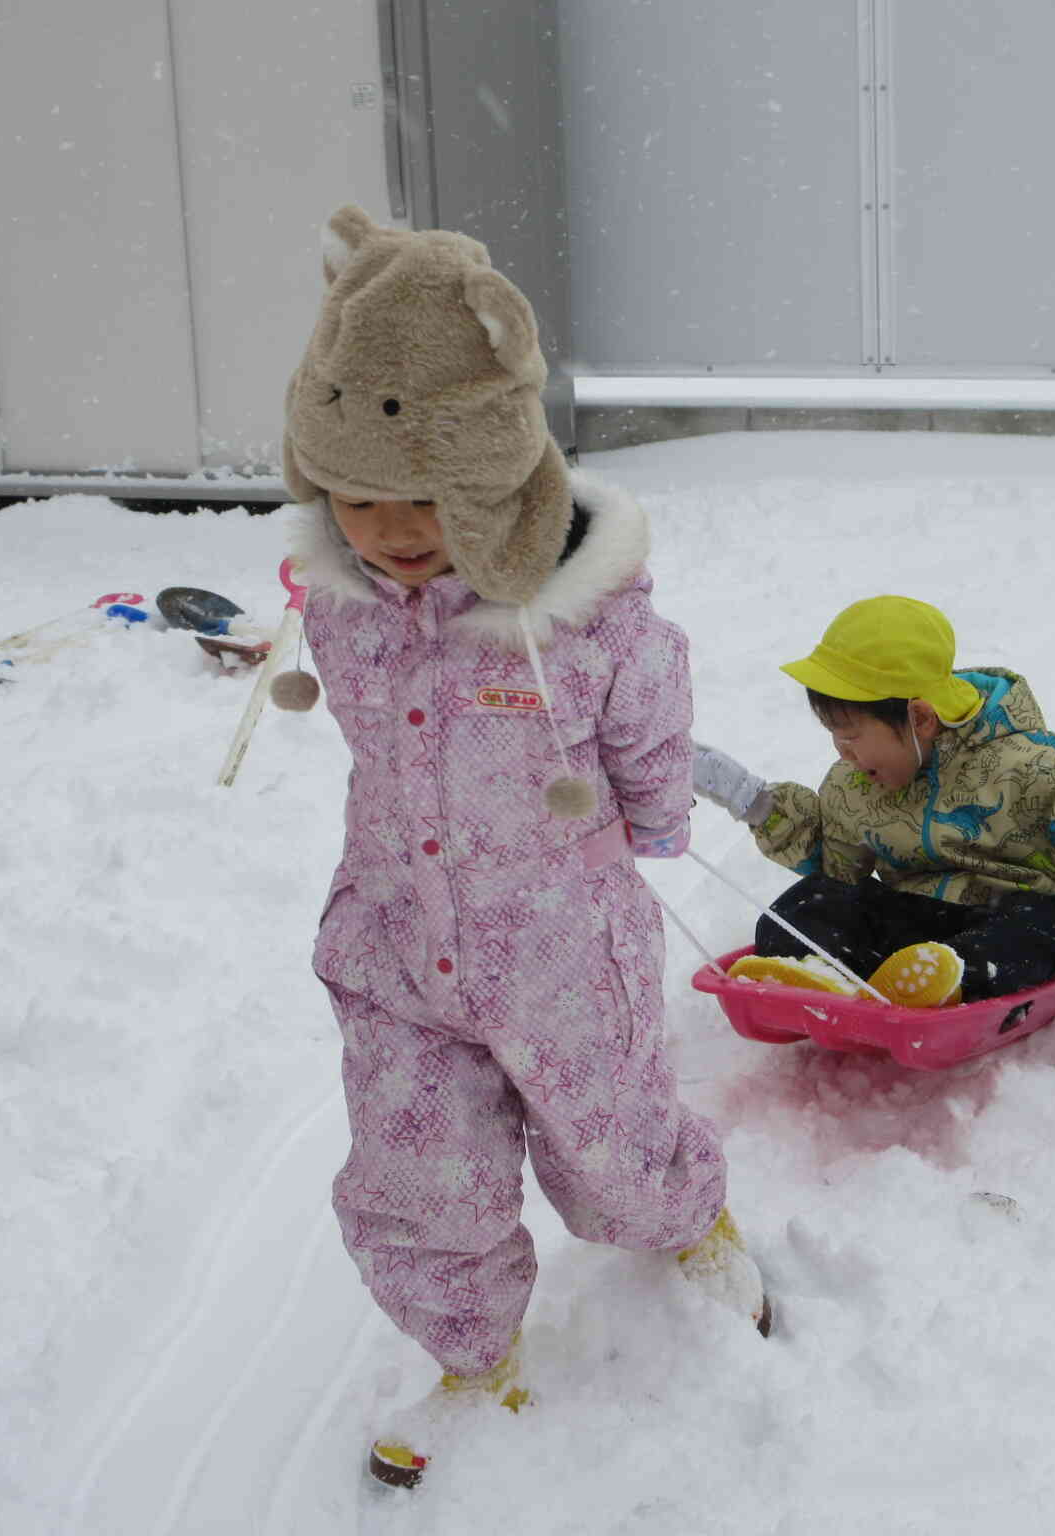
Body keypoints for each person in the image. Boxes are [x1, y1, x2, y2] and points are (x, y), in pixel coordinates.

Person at [279, 206, 767, 1491]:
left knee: (606, 1146)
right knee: (412, 1174)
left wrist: (655, 819)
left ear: (493, 471)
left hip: (556, 940)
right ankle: (468, 1356)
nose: (386, 528)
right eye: (358, 494)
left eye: (423, 498)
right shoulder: (340, 609)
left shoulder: (585, 613)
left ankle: (684, 1217)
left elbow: (649, 714)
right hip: (393, 944)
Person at [692, 595, 1055, 1004]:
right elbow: (836, 870)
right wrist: (754, 803)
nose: (842, 753)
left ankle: (951, 978)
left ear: (919, 718)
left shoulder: (1032, 765)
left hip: (1021, 915)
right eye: (834, 735)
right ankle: (825, 976)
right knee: (806, 905)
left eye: (851, 735)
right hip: (921, 926)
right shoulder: (853, 787)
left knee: (1039, 930)